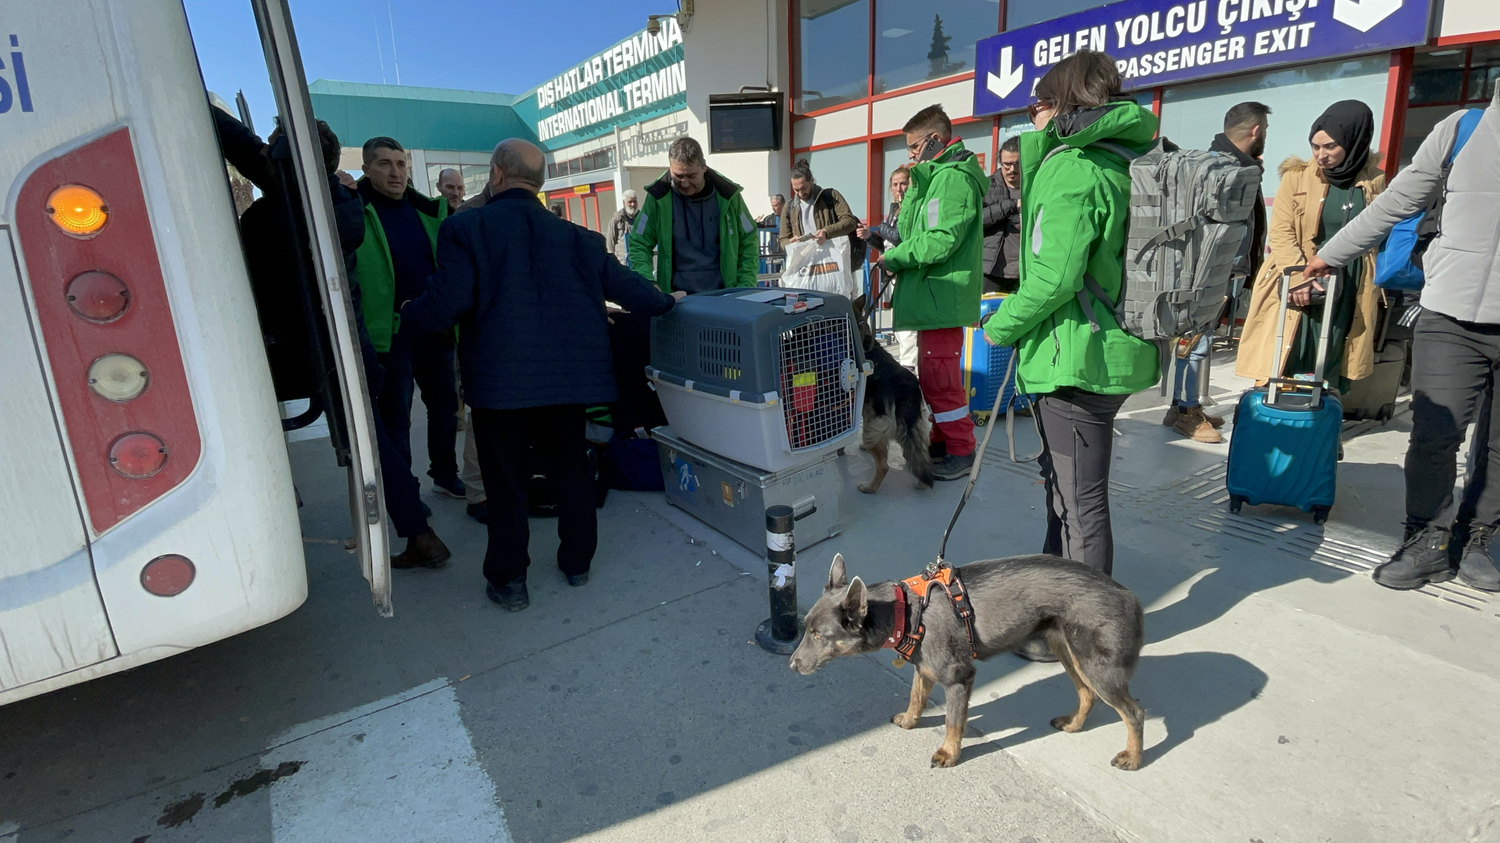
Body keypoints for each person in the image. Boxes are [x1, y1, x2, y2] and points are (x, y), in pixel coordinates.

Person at [398, 139, 682, 612]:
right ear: (540, 183)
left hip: (499, 389)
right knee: (571, 473)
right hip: (568, 388)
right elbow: (635, 291)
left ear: (496, 174)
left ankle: (510, 581)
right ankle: (577, 564)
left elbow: (445, 304)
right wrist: (673, 300)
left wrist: (407, 314)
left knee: (506, 483)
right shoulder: (579, 238)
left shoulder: (465, 228)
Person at [210, 110, 449, 569]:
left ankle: (417, 530)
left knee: (366, 441)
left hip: (300, 351)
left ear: (286, 156)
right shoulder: (337, 201)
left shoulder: (293, 200)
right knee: (375, 440)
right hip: (349, 346)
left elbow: (245, 148)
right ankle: (418, 531)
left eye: (274, 146)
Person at [981, 51, 1161, 646]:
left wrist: (999, 325)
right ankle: (1051, 613)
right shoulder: (1126, 158)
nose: (1030, 112)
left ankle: (1085, 636)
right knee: (1066, 490)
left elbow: (1054, 276)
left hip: (1074, 355)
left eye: (1039, 101)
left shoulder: (1072, 166)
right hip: (1109, 350)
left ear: (1064, 104)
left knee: (1079, 505)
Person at [1303, 87, 1500, 592]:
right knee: (1435, 433)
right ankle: (1426, 539)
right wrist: (1332, 253)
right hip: (1450, 314)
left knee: (1499, 445)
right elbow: (1397, 201)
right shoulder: (1464, 129)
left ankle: (1477, 536)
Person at [1235, 101, 1385, 395]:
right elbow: (1280, 232)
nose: (1321, 155)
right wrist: (1301, 277)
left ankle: (1318, 427)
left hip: (1349, 283)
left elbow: (1378, 230)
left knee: (1332, 355)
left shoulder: (1374, 180)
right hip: (1296, 275)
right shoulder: (1296, 176)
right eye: (1315, 147)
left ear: (1354, 141)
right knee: (1285, 354)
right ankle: (1279, 423)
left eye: (1330, 147)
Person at [353, 137, 466, 504]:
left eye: (401, 164)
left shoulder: (427, 210)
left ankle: (445, 475)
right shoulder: (354, 211)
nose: (396, 172)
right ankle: (407, 495)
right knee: (396, 418)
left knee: (445, 407)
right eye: (385, 164)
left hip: (433, 325)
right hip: (390, 333)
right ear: (367, 168)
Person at [878, 104, 985, 481]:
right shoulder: (934, 178)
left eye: (913, 147)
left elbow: (940, 240)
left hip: (942, 296)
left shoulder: (952, 180)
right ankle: (944, 439)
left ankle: (961, 448)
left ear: (934, 140)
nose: (910, 155)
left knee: (940, 378)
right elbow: (914, 231)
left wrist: (896, 257)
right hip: (934, 297)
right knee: (933, 374)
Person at [1164, 101, 1273, 445]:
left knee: (1198, 340)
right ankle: (1187, 413)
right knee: (1196, 341)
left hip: (1221, 268)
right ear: (1256, 131)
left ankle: (1181, 405)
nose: (1265, 137)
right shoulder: (1221, 168)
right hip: (1209, 271)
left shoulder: (1229, 165)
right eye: (1265, 131)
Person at [628, 136, 759, 293]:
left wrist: (745, 286)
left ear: (704, 168)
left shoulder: (729, 196)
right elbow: (639, 243)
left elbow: (748, 239)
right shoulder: (657, 197)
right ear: (670, 168)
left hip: (724, 297)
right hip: (676, 299)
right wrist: (648, 282)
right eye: (678, 176)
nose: (685, 183)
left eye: (691, 176)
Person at [858, 166, 918, 369]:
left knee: (908, 327)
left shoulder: (914, 208)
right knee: (899, 324)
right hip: (891, 273)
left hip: (907, 273)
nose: (899, 188)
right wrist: (870, 237)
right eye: (895, 184)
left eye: (903, 183)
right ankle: (906, 364)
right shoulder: (894, 209)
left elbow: (900, 237)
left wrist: (881, 228)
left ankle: (910, 368)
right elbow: (888, 243)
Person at [777, 160, 864, 268]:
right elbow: (783, 239)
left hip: (834, 261)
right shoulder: (789, 207)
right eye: (796, 190)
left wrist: (826, 232)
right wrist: (790, 243)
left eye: (804, 188)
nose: (800, 193)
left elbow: (850, 222)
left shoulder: (831, 196)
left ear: (811, 181)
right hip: (806, 264)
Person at [980, 136, 1023, 295]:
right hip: (992, 271)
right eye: (1007, 164)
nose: (1012, 169)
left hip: (1024, 272)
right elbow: (976, 220)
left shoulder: (1034, 186)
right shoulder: (987, 186)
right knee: (986, 317)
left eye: (1016, 164)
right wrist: (1011, 205)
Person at [607, 189, 640, 264]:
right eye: (630, 202)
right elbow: (610, 245)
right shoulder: (616, 220)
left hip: (640, 260)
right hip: (623, 262)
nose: (632, 204)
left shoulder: (642, 218)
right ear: (624, 203)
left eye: (634, 201)